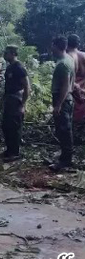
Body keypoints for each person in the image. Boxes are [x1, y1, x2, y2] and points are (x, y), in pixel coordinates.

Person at [50, 36, 76, 171]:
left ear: (56, 46)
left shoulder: (63, 64)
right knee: (64, 129)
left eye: (52, 45)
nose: (51, 48)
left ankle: (65, 160)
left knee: (64, 130)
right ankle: (65, 157)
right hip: (67, 98)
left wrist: (58, 105)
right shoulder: (69, 59)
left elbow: (66, 86)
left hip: (63, 99)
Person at [1, 45, 30, 161]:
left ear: (13, 54)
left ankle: (15, 152)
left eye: (6, 53)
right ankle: (9, 150)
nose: (4, 55)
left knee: (14, 126)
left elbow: (27, 86)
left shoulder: (19, 67)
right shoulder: (9, 67)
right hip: (9, 99)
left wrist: (23, 104)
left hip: (16, 99)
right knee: (6, 125)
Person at [66, 34, 85, 144]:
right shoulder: (84, 55)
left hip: (74, 92)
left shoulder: (69, 57)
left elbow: (69, 79)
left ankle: (74, 140)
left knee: (73, 119)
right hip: (83, 91)